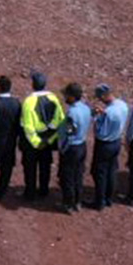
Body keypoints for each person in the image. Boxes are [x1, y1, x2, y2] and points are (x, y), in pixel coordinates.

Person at [18, 71, 62, 200]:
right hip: (47, 140)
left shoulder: (28, 102)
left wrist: (37, 142)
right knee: (45, 167)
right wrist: (49, 140)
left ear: (33, 84)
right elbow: (60, 120)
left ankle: (30, 193)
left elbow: (28, 127)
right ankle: (44, 191)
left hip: (32, 143)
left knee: (30, 168)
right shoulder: (54, 98)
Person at [56, 83, 91, 213]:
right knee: (78, 175)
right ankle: (78, 201)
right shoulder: (86, 108)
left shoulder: (72, 113)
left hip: (72, 148)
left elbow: (70, 133)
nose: (65, 97)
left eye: (66, 95)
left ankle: (68, 204)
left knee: (68, 177)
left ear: (71, 97)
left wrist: (63, 148)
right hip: (82, 145)